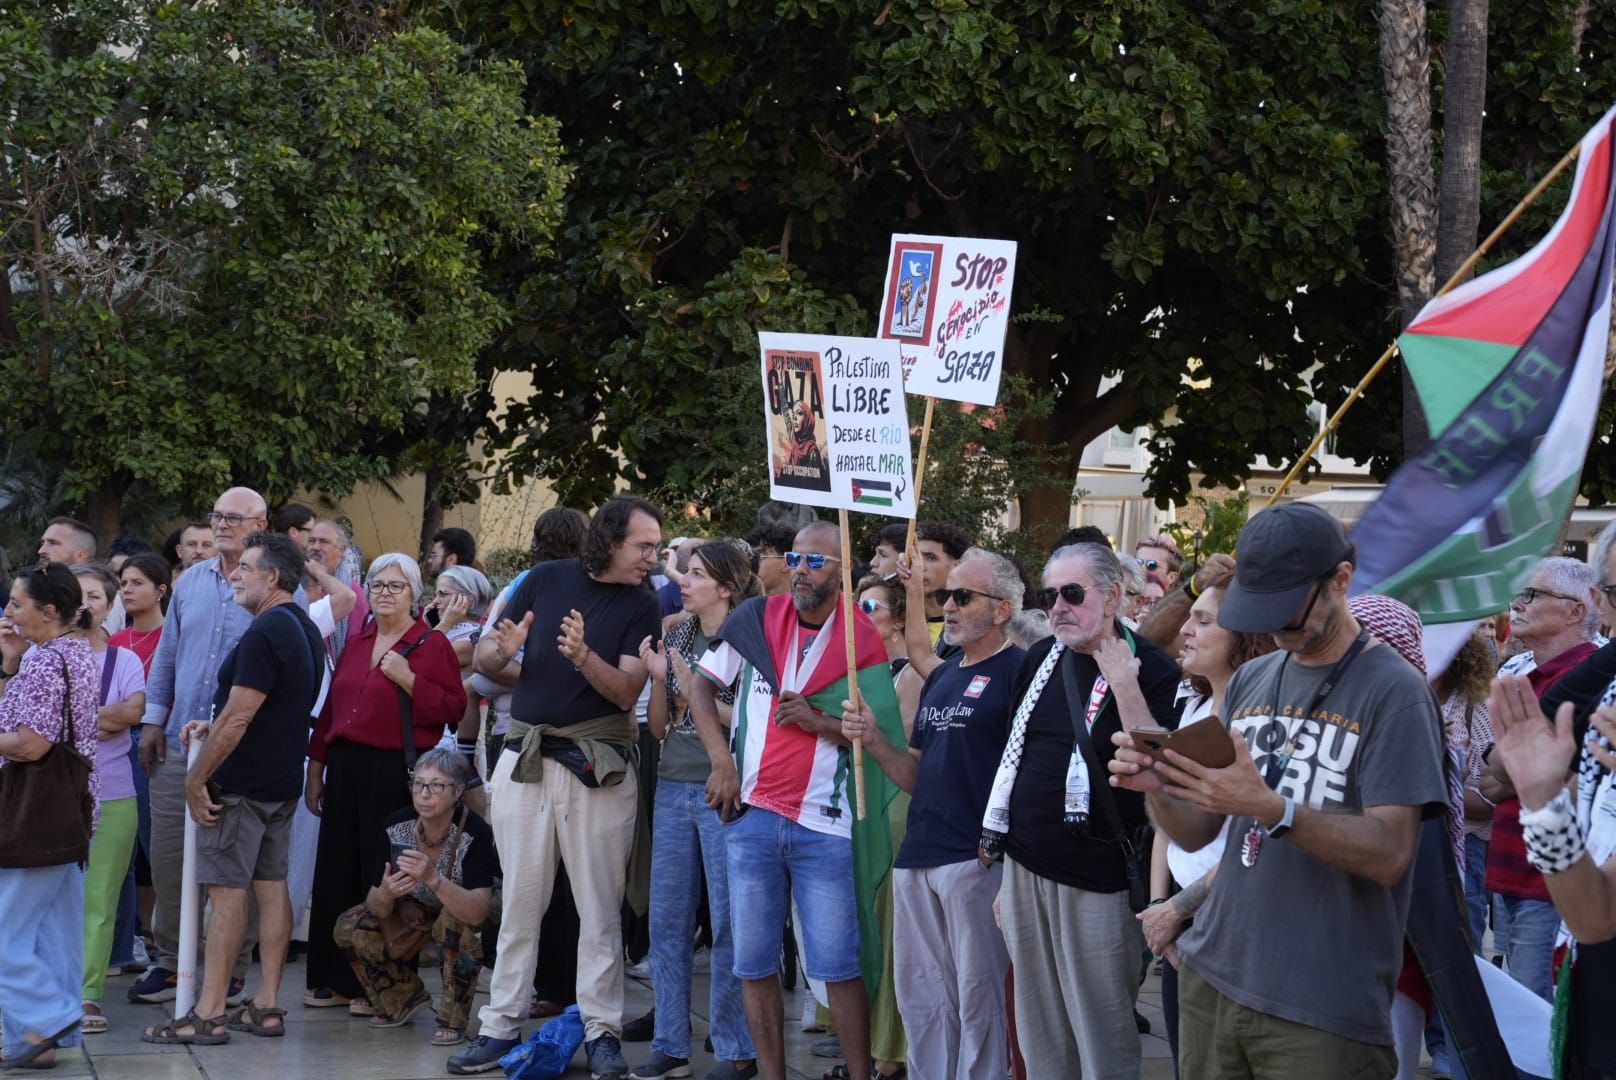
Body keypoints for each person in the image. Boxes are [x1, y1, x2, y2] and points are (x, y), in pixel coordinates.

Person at [1110, 502, 1447, 1078]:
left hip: (1320, 1005)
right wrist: (1159, 786)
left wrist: (1274, 809)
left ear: (1340, 581)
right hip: (1215, 978)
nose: (1271, 629)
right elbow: (1201, 828)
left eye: (1286, 614)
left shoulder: (1396, 690)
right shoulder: (1252, 677)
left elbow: (1392, 855)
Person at [685, 521, 905, 1080]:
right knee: (753, 964)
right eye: (795, 558)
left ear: (844, 572)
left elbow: (871, 731)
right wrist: (720, 760)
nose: (801, 570)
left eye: (816, 561)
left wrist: (818, 721)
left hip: (822, 825)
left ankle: (860, 1076)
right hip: (754, 817)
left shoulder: (861, 639)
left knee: (837, 966)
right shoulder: (757, 619)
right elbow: (700, 688)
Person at [454, 496, 664, 1077]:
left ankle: (602, 1032)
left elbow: (625, 693)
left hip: (599, 767)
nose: (654, 556)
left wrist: (582, 656)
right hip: (526, 758)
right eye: (643, 546)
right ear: (610, 540)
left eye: (656, 547)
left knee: (599, 908)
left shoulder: (643, 604)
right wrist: (505, 648)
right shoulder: (544, 580)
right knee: (520, 901)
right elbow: (489, 657)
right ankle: (500, 1026)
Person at [978, 541, 1180, 1077]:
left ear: (1112, 597)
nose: (1058, 607)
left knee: (1101, 1032)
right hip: (1026, 868)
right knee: (1039, 1030)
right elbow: (1018, 760)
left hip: (1099, 879)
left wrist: (1123, 682)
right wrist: (1007, 877)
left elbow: (1155, 770)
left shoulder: (1152, 668)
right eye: (1050, 595)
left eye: (1072, 593)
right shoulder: (1042, 659)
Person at [842, 548, 1025, 1080]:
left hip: (975, 858)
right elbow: (915, 773)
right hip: (918, 853)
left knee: (977, 995)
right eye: (947, 596)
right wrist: (875, 739)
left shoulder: (1020, 672)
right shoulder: (944, 678)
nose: (951, 606)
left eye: (963, 596)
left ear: (1003, 609)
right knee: (920, 994)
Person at [141, 532, 326, 1046]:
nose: (235, 575)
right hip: (280, 783)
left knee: (225, 896)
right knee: (270, 890)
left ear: (272, 577)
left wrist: (197, 778)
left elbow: (242, 714)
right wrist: (209, 725)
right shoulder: (302, 627)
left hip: (242, 787)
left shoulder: (267, 629)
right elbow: (262, 706)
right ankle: (266, 1005)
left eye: (245, 567)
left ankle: (208, 1013)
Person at [133, 488, 293, 1006]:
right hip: (179, 738)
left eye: (234, 517)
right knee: (168, 857)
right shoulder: (190, 583)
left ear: (261, 523)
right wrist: (155, 720)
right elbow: (169, 657)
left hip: (238, 747)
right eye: (216, 516)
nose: (221, 525)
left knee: (237, 869)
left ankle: (232, 972)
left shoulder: (277, 593)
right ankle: (171, 963)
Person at [1130, 558, 1274, 1075]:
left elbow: (1258, 839)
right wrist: (1157, 907)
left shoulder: (1260, 721)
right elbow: (1166, 829)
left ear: (1247, 635)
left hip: (1226, 922)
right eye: (1191, 616)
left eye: (1206, 620)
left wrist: (1180, 911)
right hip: (1178, 924)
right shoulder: (1191, 706)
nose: (1187, 630)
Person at [305, 553, 467, 1009]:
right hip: (346, 766)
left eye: (396, 586)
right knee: (337, 869)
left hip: (395, 770)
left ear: (416, 595)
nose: (385, 593)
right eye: (377, 585)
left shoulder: (430, 645)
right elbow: (333, 711)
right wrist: (316, 768)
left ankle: (383, 985)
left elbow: (452, 709)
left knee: (386, 876)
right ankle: (336, 978)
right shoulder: (359, 639)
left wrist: (410, 679)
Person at [629, 541, 761, 1080]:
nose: (683, 579)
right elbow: (659, 728)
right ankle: (671, 1043)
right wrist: (663, 680)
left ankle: (734, 1048)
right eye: (686, 571)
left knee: (731, 924)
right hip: (673, 784)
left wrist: (694, 691)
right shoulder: (678, 633)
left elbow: (754, 717)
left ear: (726, 587)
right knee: (667, 921)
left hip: (726, 789)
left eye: (697, 573)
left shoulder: (748, 638)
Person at [1490, 520, 1616, 1078]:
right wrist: (1544, 803)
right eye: (1615, 592)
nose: (1518, 606)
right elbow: (1596, 916)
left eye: (1533, 595)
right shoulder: (1601, 683)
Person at [1480, 557, 1600, 1001]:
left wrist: (1511, 766)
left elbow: (1563, 779)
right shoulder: (1522, 677)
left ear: (1576, 610)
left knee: (1534, 1011)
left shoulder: (1590, 681)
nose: (1517, 604)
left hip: (1552, 881)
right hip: (1511, 868)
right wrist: (1516, 768)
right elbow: (1492, 775)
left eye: (1532, 594)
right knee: (1518, 1005)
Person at [0, 563, 100, 1069]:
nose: (9, 612)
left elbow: (30, 744)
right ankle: (36, 1039)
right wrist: (11, 662)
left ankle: (48, 1013)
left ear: (51, 610)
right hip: (68, 811)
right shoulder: (72, 652)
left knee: (5, 933)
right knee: (52, 932)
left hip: (34, 816)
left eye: (17, 604)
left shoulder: (47, 661)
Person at [334, 748, 498, 1045]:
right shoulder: (397, 826)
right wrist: (386, 895)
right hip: (418, 908)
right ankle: (403, 998)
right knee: (350, 924)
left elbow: (478, 911)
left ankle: (453, 1018)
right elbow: (375, 903)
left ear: (459, 790)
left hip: (467, 914)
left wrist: (434, 879)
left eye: (437, 786)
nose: (424, 793)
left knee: (452, 922)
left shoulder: (475, 832)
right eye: (418, 784)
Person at [71, 564, 147, 1036]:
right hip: (52, 795)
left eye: (95, 596)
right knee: (48, 898)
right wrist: (99, 716)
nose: (86, 604)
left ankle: (87, 995)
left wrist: (77, 719)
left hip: (115, 790)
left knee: (99, 900)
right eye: (76, 595)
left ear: (109, 605)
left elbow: (130, 714)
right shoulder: (42, 656)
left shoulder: (125, 661)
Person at [744, 524, 797, 597]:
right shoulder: (744, 606)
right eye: (749, 557)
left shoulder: (808, 606)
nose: (751, 563)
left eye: (758, 556)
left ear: (786, 563)